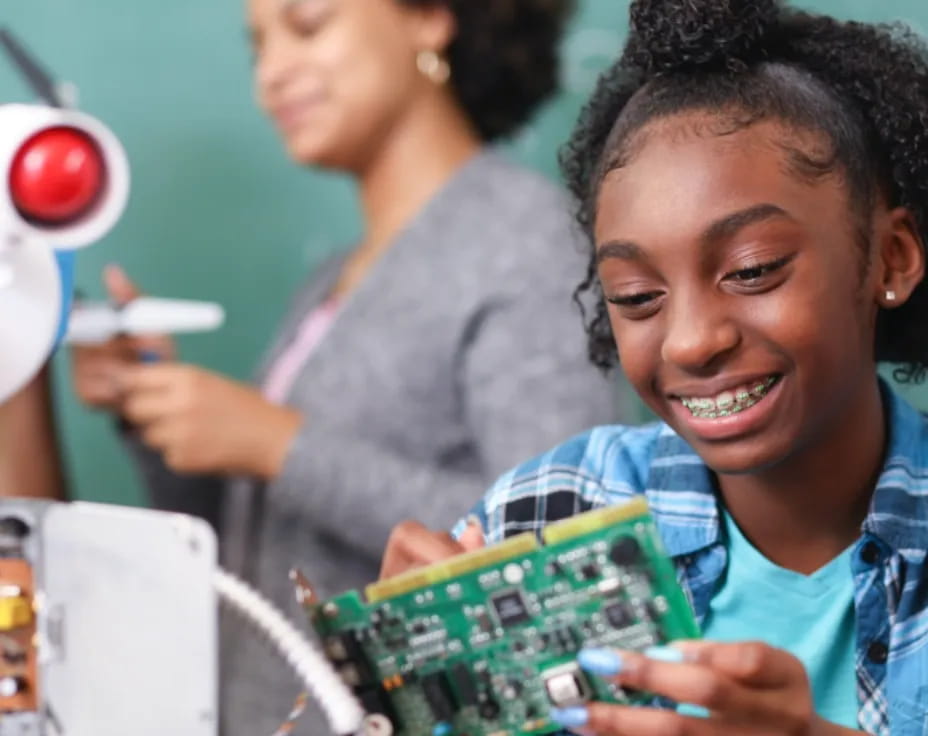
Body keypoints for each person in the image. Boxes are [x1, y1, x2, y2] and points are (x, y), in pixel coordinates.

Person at [71, 0, 623, 732]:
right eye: (256, 49)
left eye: (307, 24)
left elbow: (548, 545)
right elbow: (256, 547)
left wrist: (277, 444)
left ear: (429, 17)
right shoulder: (333, 278)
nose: (272, 74)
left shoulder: (524, 243)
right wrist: (156, 415)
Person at [380, 0, 928, 732]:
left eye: (753, 270)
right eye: (637, 296)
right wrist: (411, 703)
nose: (690, 342)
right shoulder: (550, 517)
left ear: (891, 257)